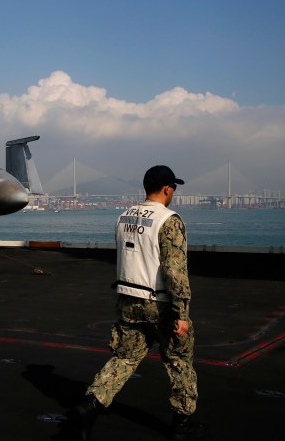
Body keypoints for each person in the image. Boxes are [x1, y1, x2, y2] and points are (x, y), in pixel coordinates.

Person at [74, 165, 208, 441]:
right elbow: (175, 271)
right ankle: (182, 422)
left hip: (127, 299)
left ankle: (92, 404)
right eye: (173, 189)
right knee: (179, 360)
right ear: (167, 189)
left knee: (125, 357)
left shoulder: (124, 216)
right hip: (159, 303)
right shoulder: (169, 220)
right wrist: (181, 312)